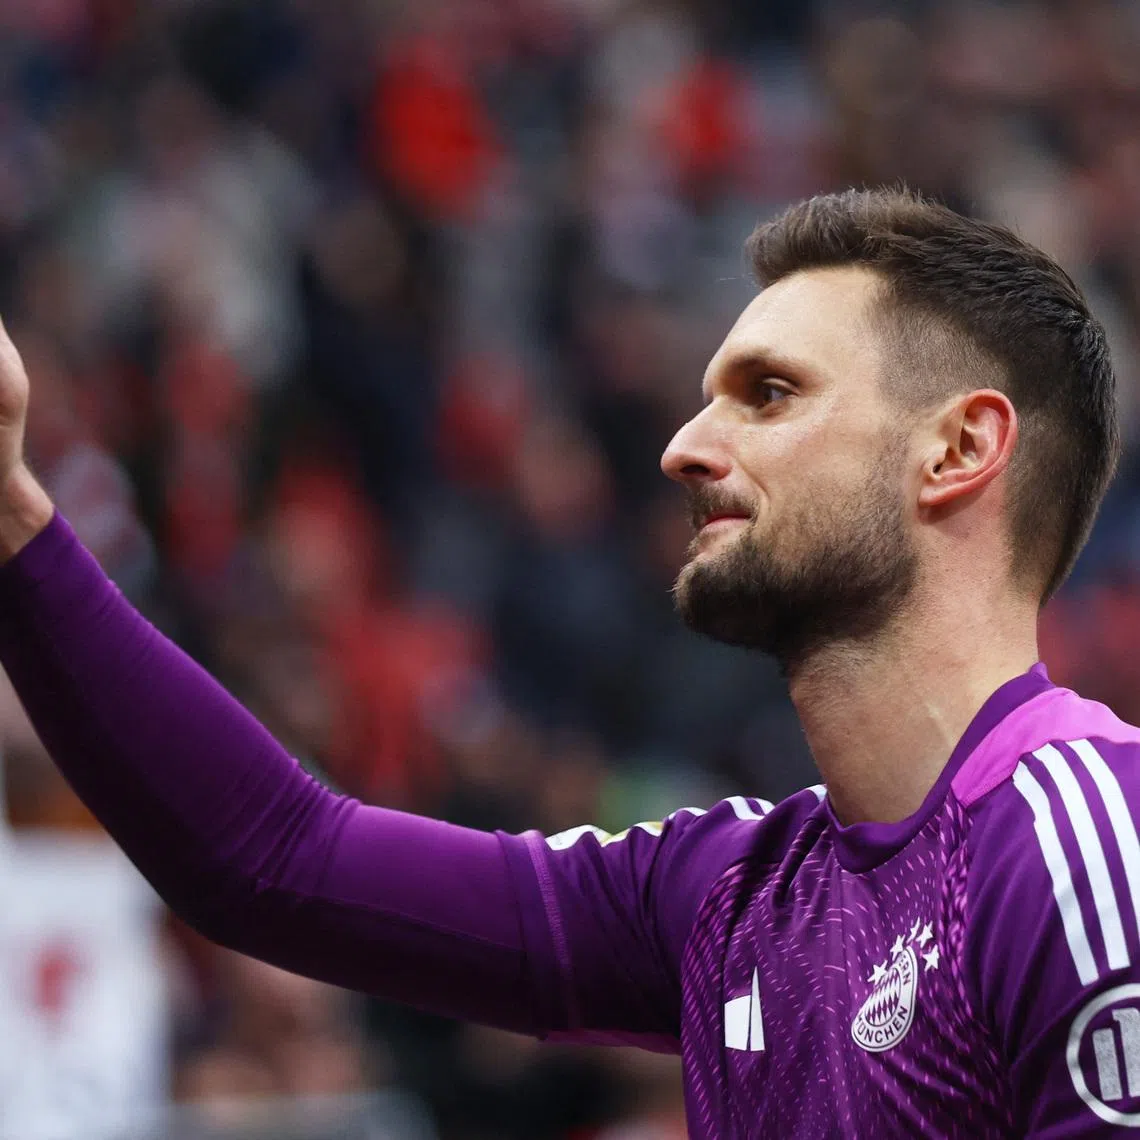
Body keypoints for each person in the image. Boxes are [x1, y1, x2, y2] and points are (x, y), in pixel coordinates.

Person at [0, 186, 1135, 1138]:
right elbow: (277, 862)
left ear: (958, 449)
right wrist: (12, 516)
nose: (685, 447)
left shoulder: (1084, 849)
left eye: (770, 393)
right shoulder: (735, 899)